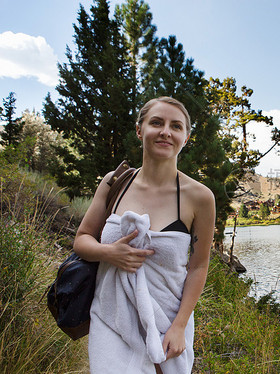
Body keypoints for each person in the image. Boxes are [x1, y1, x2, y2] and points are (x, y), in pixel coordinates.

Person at [73, 96, 216, 373]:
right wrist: (109, 252)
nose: (165, 131)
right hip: (111, 316)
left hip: (167, 321)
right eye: (156, 122)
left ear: (185, 138)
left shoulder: (200, 197)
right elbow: (82, 240)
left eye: (176, 126)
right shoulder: (114, 182)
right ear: (140, 130)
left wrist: (179, 325)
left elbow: (198, 266)